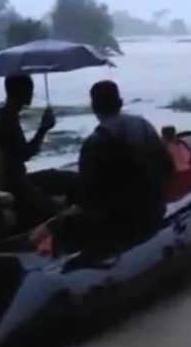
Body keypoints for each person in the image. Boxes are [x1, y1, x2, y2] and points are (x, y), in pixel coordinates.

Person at [35, 80, 172, 254]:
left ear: (93, 107)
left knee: (62, 229)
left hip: (121, 224)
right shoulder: (143, 125)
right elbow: (168, 168)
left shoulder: (95, 143)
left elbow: (88, 199)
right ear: (120, 103)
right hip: (154, 211)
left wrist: (55, 222)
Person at [0, 74, 75, 228]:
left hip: (19, 180)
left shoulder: (8, 117)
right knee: (57, 204)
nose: (32, 94)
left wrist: (43, 129)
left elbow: (24, 154)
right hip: (15, 185)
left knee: (64, 178)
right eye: (30, 90)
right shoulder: (3, 121)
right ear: (22, 92)